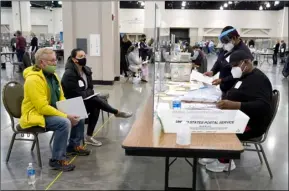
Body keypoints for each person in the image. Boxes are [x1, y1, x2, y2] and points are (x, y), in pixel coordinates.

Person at [200, 50, 273, 172]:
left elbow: (263, 106)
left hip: (252, 124)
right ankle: (215, 152)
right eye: (232, 66)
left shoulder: (259, 80)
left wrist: (236, 105)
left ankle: (225, 161)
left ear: (247, 62)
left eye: (235, 65)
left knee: (222, 127)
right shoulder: (244, 76)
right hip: (239, 116)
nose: (233, 69)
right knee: (211, 120)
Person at [19, 48, 90, 171]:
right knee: (64, 123)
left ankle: (73, 146)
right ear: (42, 63)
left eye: (55, 60)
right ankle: (57, 159)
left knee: (78, 114)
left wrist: (68, 111)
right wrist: (66, 116)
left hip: (50, 110)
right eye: (52, 61)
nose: (55, 63)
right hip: (37, 114)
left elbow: (60, 97)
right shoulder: (33, 80)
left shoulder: (53, 76)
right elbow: (42, 107)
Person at [61, 48, 133, 146]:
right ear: (74, 59)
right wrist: (87, 93)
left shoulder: (86, 71)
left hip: (83, 101)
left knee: (96, 105)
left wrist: (87, 93)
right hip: (72, 104)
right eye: (80, 56)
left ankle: (88, 137)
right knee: (95, 101)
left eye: (84, 56)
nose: (84, 58)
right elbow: (75, 94)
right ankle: (116, 112)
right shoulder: (69, 74)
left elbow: (91, 89)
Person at [204, 26, 253, 97]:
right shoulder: (227, 47)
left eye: (226, 42)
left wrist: (222, 80)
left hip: (235, 90)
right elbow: (219, 60)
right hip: (224, 88)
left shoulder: (244, 52)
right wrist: (212, 71)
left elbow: (241, 73)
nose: (225, 45)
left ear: (235, 38)